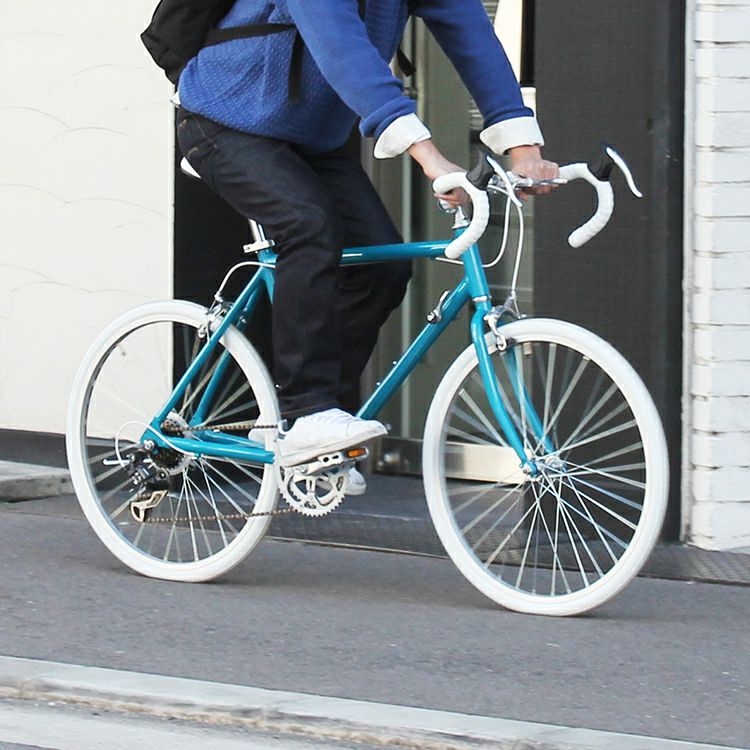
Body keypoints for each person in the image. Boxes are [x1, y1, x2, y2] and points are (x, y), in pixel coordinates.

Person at [175, 0, 559, 491]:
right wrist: (428, 156)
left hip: (312, 138)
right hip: (225, 121)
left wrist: (524, 150)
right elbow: (343, 51)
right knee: (307, 227)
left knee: (382, 268)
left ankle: (315, 436)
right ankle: (306, 411)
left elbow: (473, 41)